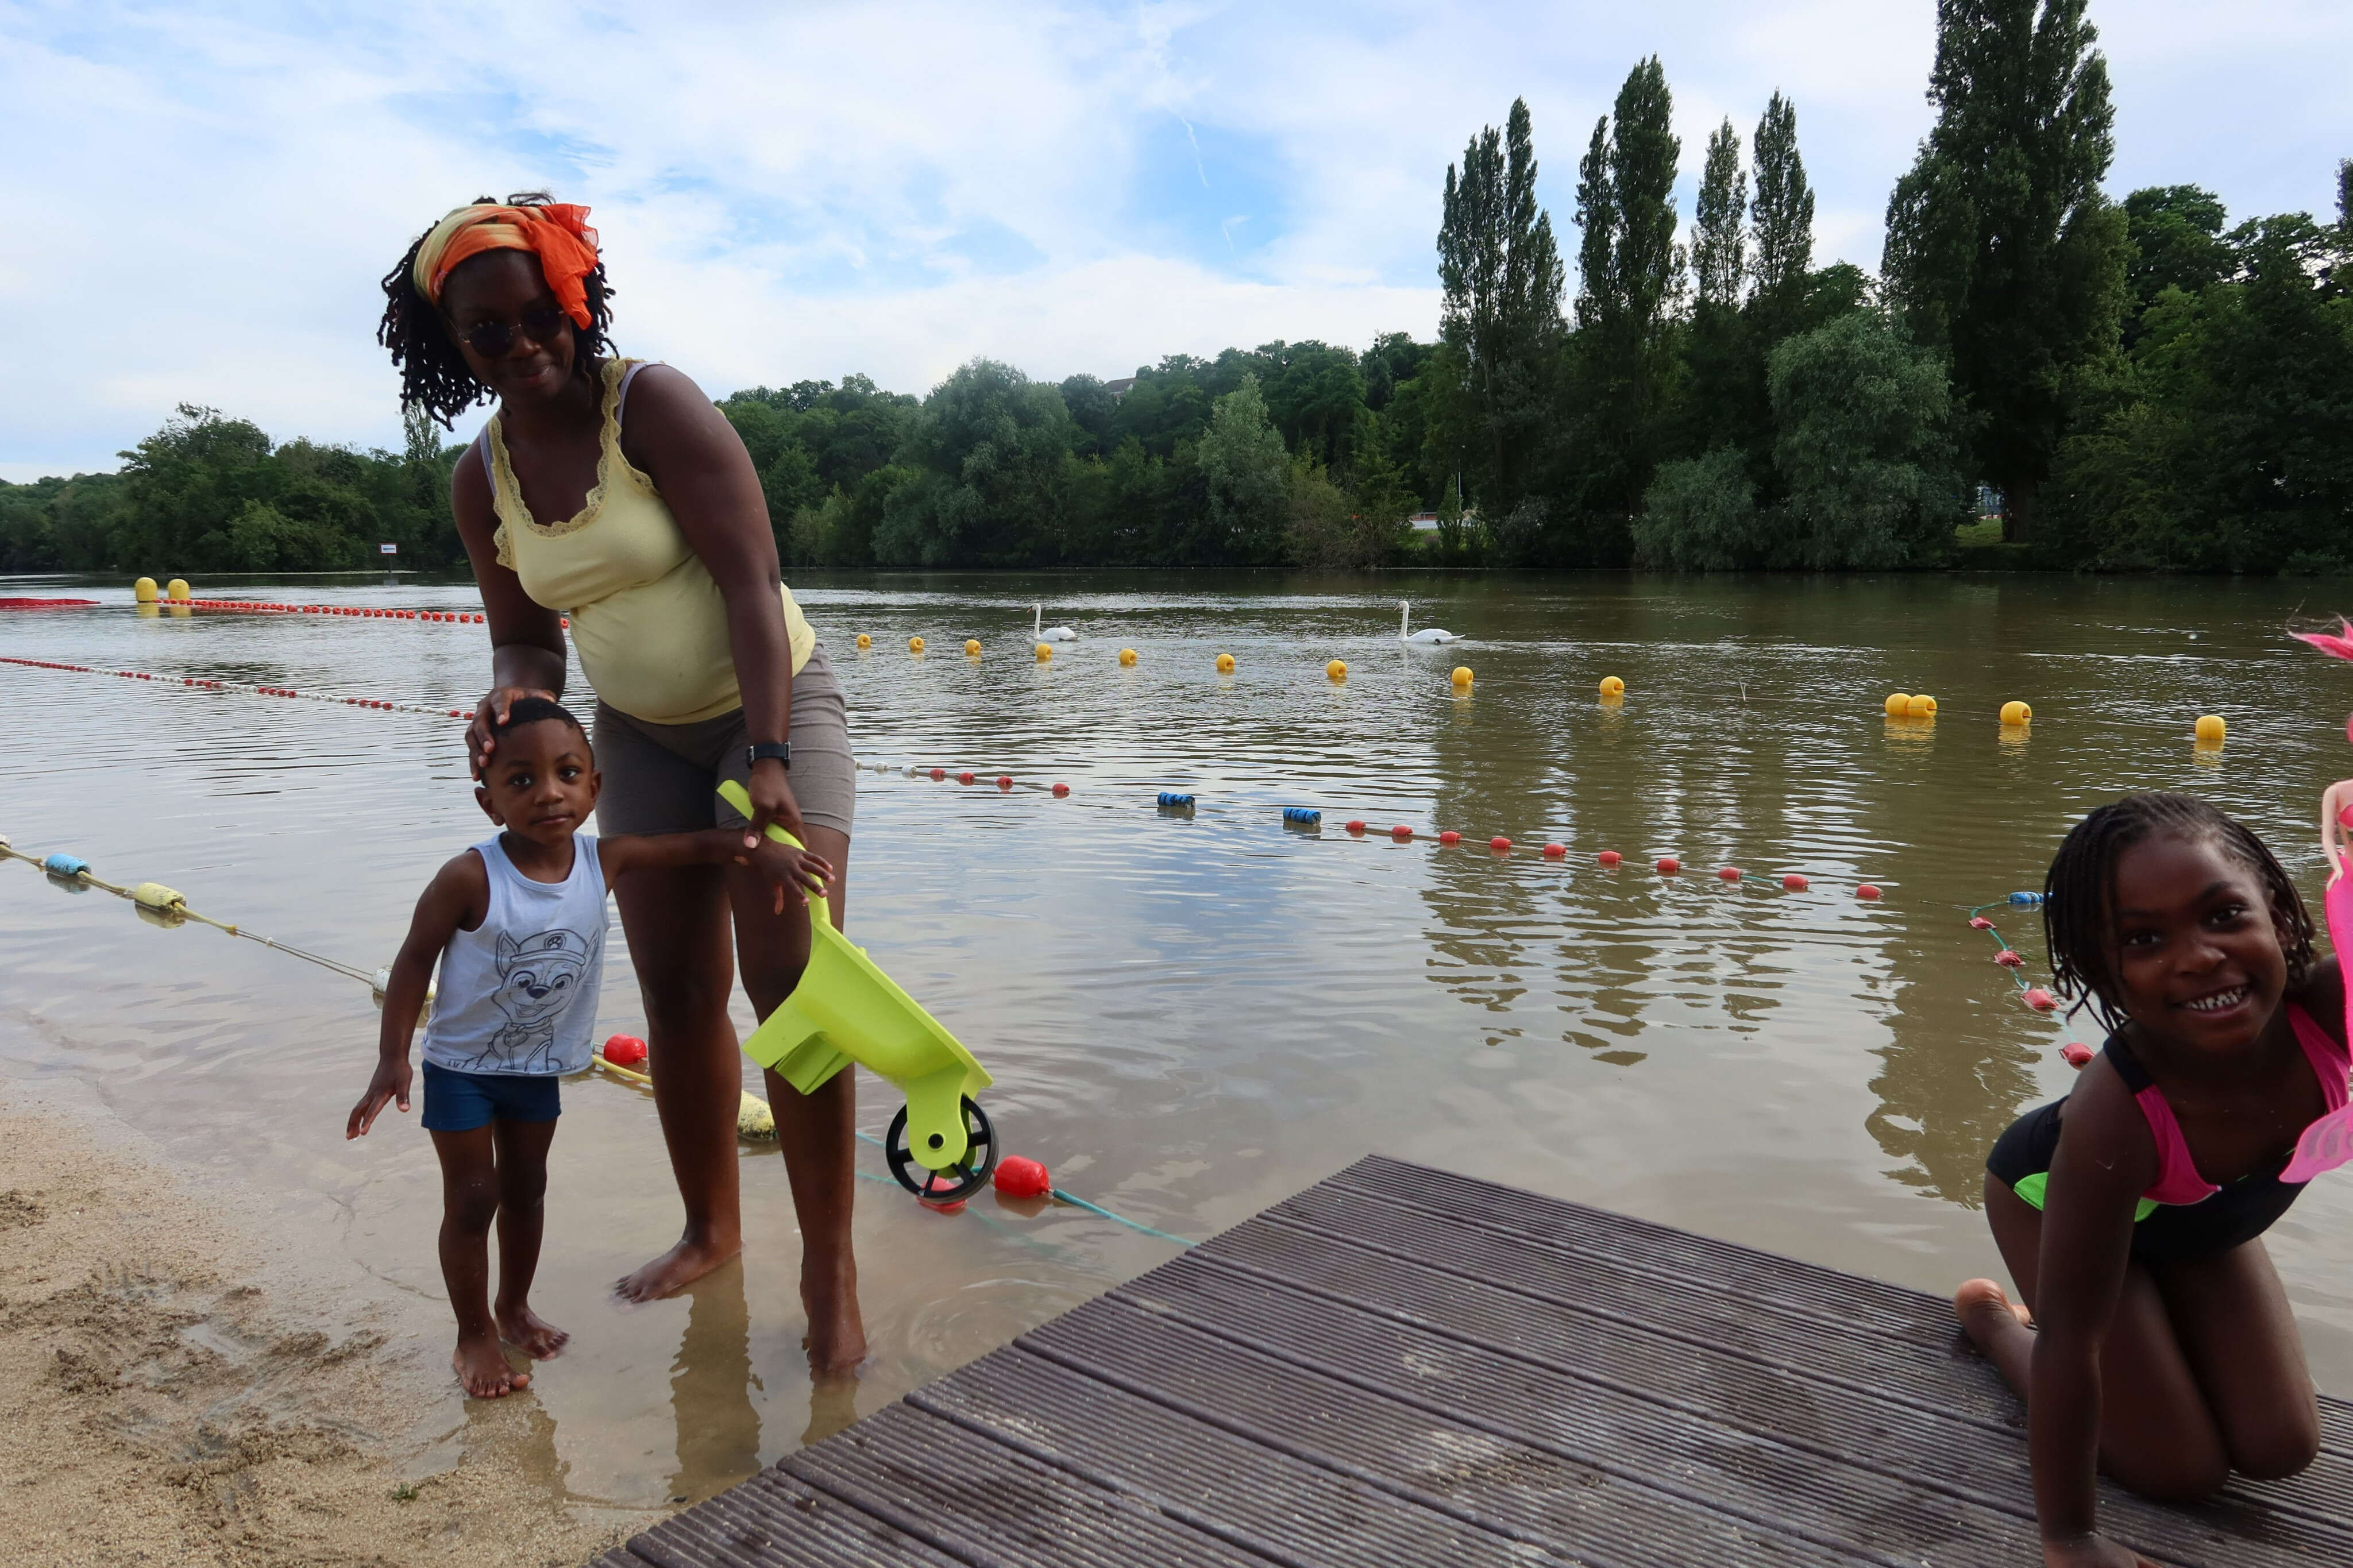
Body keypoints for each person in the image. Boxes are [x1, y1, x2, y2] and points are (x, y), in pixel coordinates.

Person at [377, 195, 868, 1370]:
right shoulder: (478, 476)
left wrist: (767, 759)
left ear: (575, 298)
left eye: (542, 312)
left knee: (793, 991)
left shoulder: (651, 403)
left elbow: (752, 584)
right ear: (456, 348)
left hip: (774, 710)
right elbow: (528, 640)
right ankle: (710, 1228)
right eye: (489, 331)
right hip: (637, 736)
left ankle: (828, 1264)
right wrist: (508, 694)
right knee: (678, 992)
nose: (526, 340)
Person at [346, 698, 831, 1397]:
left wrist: (767, 854)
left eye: (567, 773)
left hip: (538, 1066)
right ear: (489, 804)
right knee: (474, 1198)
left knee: (527, 1188)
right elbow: (413, 961)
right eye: (520, 781)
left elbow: (701, 845)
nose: (548, 793)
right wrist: (393, 1057)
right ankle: (473, 1334)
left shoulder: (603, 860)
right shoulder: (470, 877)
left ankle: (513, 1307)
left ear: (594, 789)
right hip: (463, 1069)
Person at [1954, 793, 2343, 1567]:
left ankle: (2160, 1312)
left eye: (2224, 915)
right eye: (2144, 937)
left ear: (2283, 916)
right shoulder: (2117, 1114)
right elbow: (2073, 1345)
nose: (2198, 955)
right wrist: (2070, 1537)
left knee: (2281, 1446)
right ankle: (1992, 1322)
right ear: (2107, 970)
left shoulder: (2335, 1009)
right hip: (2054, 1194)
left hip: (2203, 1218)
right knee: (2178, 1468)